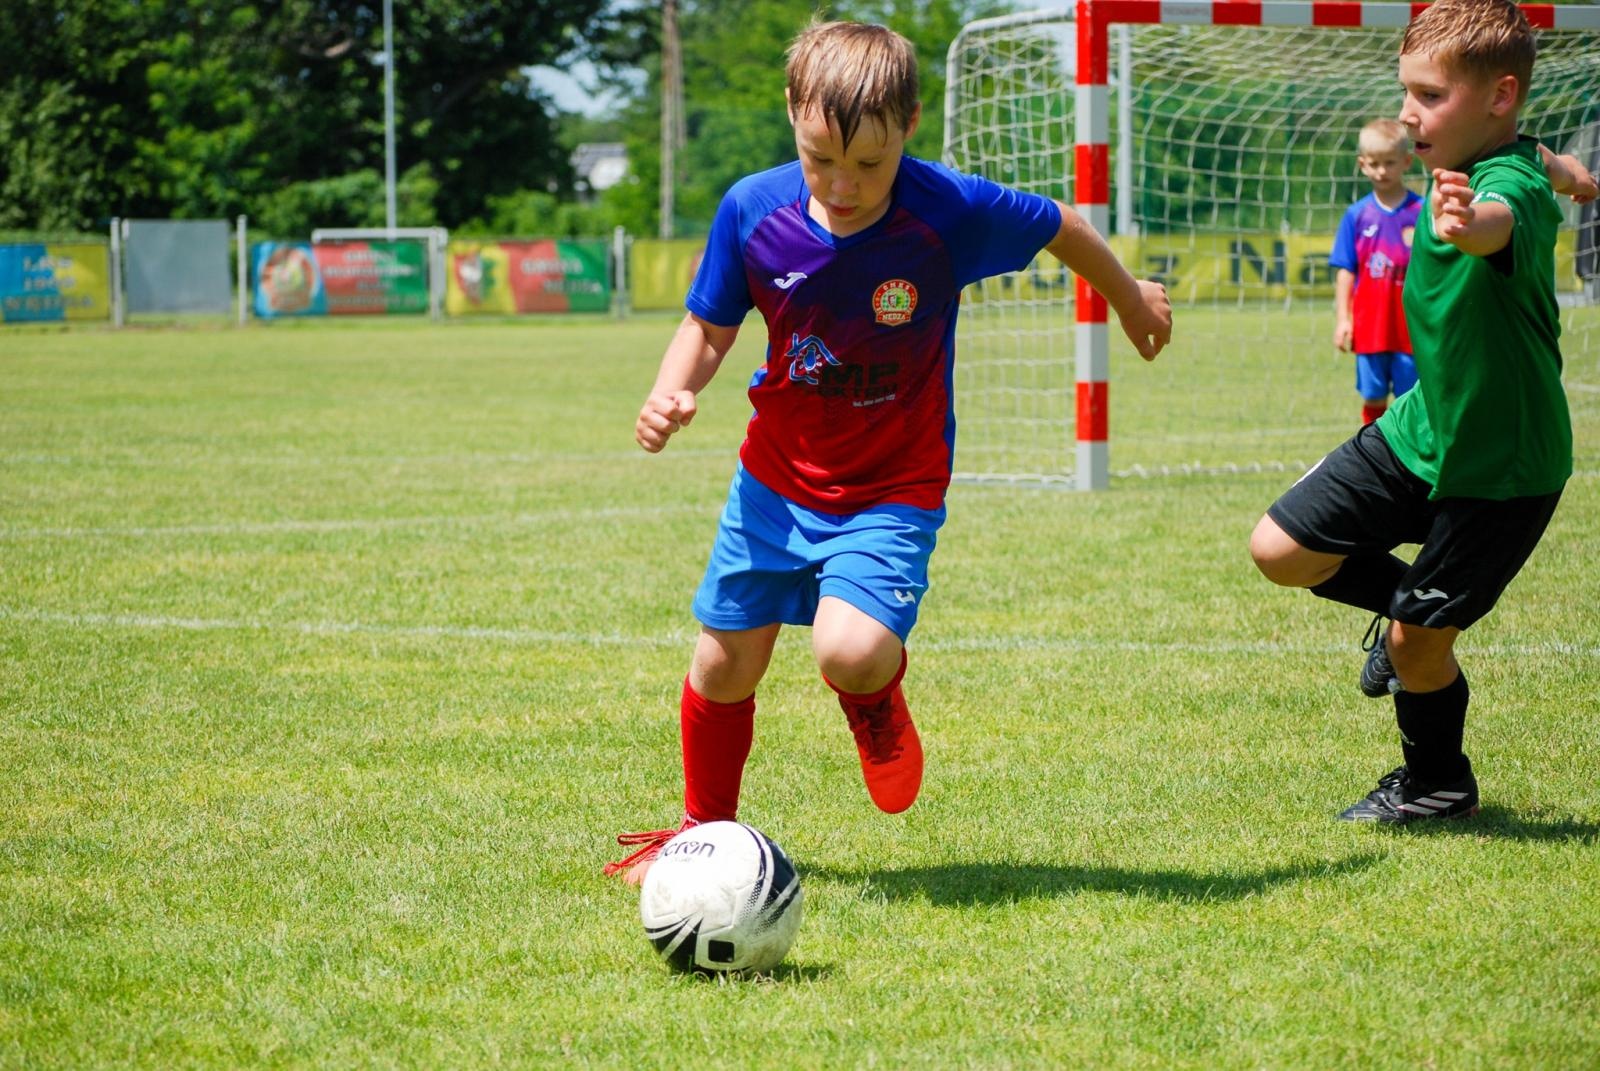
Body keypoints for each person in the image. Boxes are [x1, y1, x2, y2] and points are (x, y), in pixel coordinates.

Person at [605, 19, 1172, 881]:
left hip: (891, 489)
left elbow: (1060, 224)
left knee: (849, 649)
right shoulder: (751, 211)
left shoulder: (947, 211)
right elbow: (709, 324)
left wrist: (1130, 300)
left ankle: (875, 704)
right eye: (819, 159)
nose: (842, 184)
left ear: (909, 123)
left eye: (868, 165)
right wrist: (672, 388)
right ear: (794, 114)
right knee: (723, 663)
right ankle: (699, 832)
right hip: (773, 483)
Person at [1248, 0, 1598, 824]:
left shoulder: (1499, 189)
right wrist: (1573, 169)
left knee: (1417, 646)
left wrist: (1467, 222)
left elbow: (1502, 215)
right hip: (1421, 426)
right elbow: (1538, 156)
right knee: (1280, 548)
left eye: (1431, 96)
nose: (1410, 113)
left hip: (1503, 464)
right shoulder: (1510, 150)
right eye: (1407, 91)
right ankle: (1407, 615)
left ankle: (1438, 782)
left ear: (1500, 95)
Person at [1330, 118, 1423, 426]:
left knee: (1412, 400)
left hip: (1411, 328)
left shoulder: (1422, 212)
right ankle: (1374, 459)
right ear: (1362, 165)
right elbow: (1346, 271)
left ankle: (1411, 462)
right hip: (1370, 327)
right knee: (1373, 397)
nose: (1382, 171)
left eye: (1390, 163)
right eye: (1374, 163)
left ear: (1406, 162)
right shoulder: (1356, 215)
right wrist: (1344, 319)